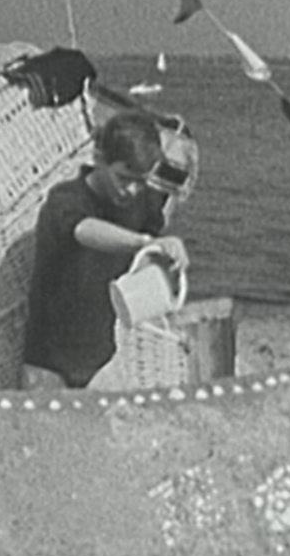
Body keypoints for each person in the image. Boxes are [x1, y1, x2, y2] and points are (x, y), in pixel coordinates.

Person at [23, 111, 190, 389]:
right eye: (124, 177)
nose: (132, 190)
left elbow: (146, 262)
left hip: (105, 361)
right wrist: (142, 241)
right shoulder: (65, 200)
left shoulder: (144, 203)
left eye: (142, 180)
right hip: (47, 366)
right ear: (99, 159)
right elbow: (84, 230)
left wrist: (167, 257)